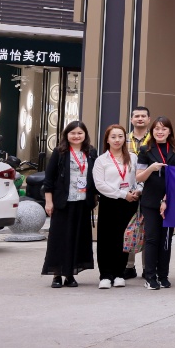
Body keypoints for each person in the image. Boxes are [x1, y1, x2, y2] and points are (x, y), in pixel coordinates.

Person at [42, 121, 97, 288]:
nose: (76, 136)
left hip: (82, 202)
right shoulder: (60, 152)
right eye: (73, 133)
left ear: (85, 135)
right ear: (66, 134)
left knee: (77, 239)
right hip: (63, 203)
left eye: (80, 133)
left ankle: (70, 274)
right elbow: (49, 179)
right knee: (59, 239)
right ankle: (57, 275)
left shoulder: (91, 152)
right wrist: (49, 202)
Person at [93, 124, 140, 289]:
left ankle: (120, 273)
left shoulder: (132, 157)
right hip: (109, 202)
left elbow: (138, 178)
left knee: (124, 239)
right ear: (107, 139)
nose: (117, 140)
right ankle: (105, 275)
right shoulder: (101, 160)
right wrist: (122, 194)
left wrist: (138, 191)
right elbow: (100, 184)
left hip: (129, 203)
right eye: (113, 137)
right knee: (106, 239)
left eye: (120, 136)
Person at [135, 117, 175, 290]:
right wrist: (150, 169)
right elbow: (139, 177)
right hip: (150, 200)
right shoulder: (145, 150)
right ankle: (150, 276)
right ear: (152, 131)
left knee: (166, 240)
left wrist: (166, 199)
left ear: (169, 131)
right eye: (157, 129)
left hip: (170, 200)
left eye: (164, 129)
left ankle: (163, 275)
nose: (160, 132)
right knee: (152, 238)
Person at [123, 106, 151, 279]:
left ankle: (147, 267)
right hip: (128, 191)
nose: (140, 119)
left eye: (143, 116)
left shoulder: (154, 139)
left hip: (149, 190)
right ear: (131, 119)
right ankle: (129, 266)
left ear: (149, 119)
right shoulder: (123, 139)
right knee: (129, 228)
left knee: (148, 229)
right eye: (137, 116)